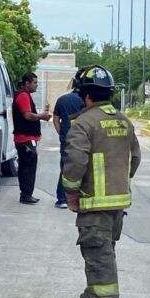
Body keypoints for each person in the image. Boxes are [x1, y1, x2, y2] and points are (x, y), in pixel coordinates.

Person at [60, 65, 140, 298]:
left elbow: (75, 161)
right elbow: (134, 158)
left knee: (97, 253)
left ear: (86, 96)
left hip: (93, 202)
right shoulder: (123, 120)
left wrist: (71, 192)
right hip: (118, 202)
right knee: (106, 250)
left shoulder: (84, 123)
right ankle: (94, 294)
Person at [13, 72, 52, 205]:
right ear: (27, 83)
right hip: (25, 139)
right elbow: (28, 116)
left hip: (25, 138)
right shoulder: (23, 95)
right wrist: (42, 116)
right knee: (29, 166)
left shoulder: (23, 95)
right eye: (34, 82)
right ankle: (26, 195)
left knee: (26, 165)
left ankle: (26, 194)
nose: (36, 85)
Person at [52, 71, 86, 209]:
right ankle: (79, 198)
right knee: (83, 167)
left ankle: (61, 199)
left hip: (66, 139)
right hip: (83, 139)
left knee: (65, 168)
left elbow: (55, 119)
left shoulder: (62, 99)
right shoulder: (86, 100)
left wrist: (61, 133)